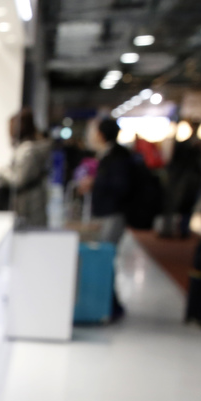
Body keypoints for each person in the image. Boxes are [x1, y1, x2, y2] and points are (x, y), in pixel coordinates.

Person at [78, 117, 135, 319]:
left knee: (105, 256)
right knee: (104, 256)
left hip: (112, 213)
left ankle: (111, 305)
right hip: (105, 212)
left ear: (101, 134)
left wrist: (95, 183)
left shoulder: (118, 157)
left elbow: (121, 186)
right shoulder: (108, 155)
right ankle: (108, 303)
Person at [0, 108, 49, 227]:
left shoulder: (27, 150)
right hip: (32, 202)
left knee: (31, 233)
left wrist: (0, 171)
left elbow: (18, 179)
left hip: (29, 205)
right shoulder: (32, 148)